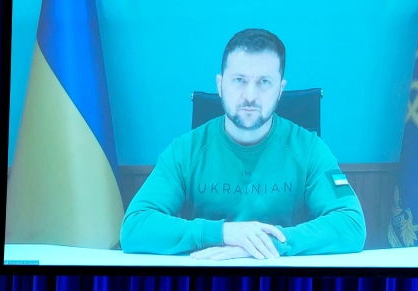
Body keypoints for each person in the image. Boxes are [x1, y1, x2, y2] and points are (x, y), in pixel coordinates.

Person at [120, 28, 367, 259]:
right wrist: (225, 233)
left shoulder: (308, 148)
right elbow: (135, 227)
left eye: (264, 82)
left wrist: (262, 244)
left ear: (280, 89)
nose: (250, 96)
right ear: (220, 85)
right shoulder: (186, 150)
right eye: (239, 80)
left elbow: (352, 224)